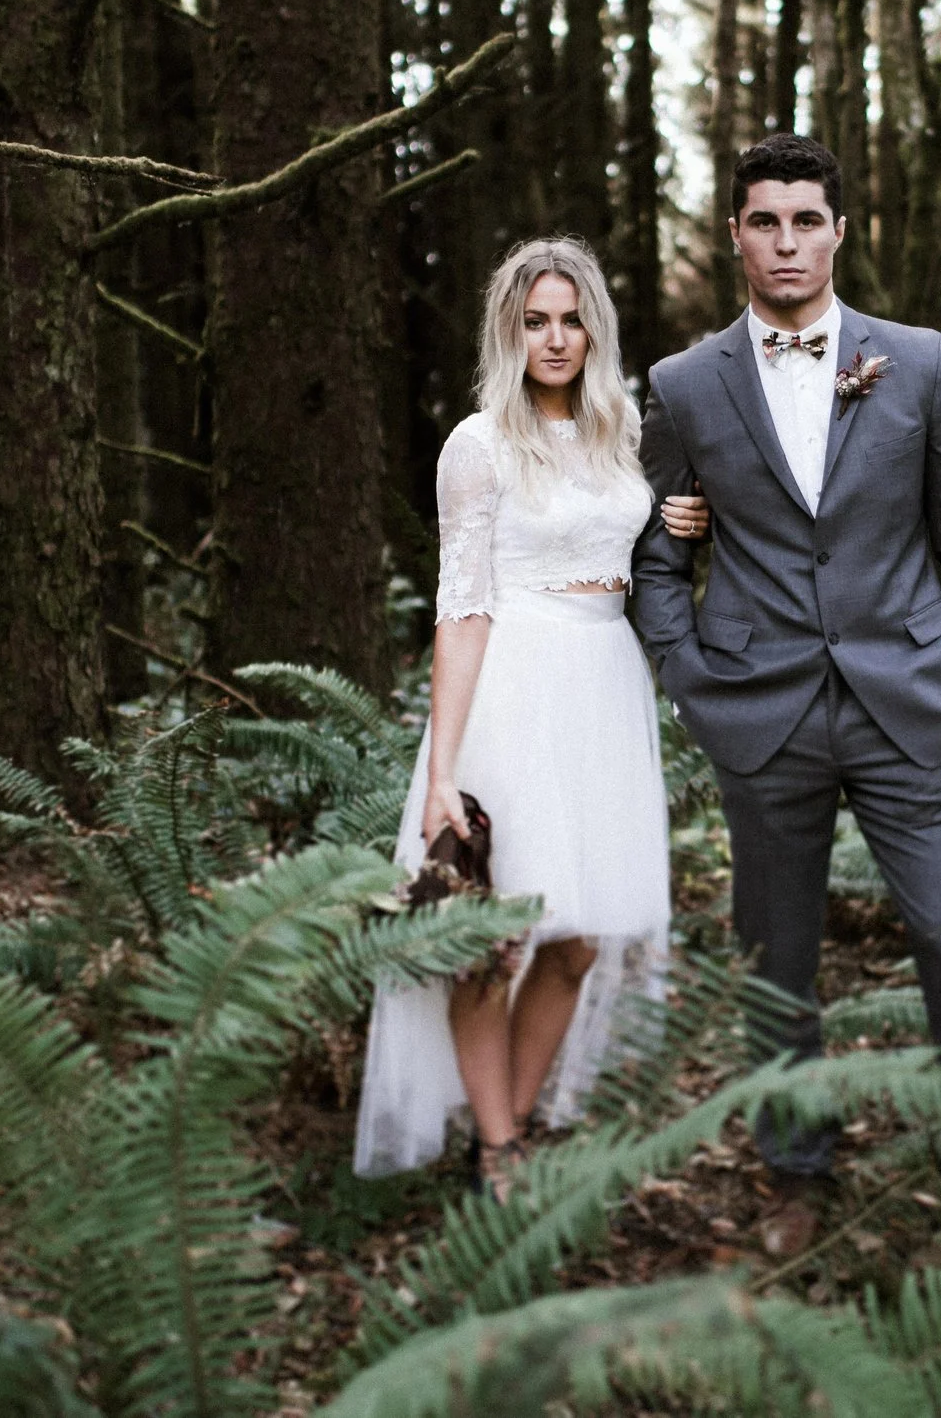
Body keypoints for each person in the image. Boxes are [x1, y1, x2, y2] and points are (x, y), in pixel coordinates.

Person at [630, 133, 941, 1253]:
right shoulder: (682, 384)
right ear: (736, 235)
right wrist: (689, 673)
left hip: (908, 701)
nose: (786, 241)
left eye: (806, 218)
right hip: (760, 711)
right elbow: (655, 557)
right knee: (778, 960)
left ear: (839, 230)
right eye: (765, 220)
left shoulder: (917, 361)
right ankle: (794, 1165)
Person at [353, 237, 712, 1198]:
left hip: (602, 687)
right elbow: (462, 607)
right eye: (535, 322)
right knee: (495, 932)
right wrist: (442, 769)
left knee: (580, 937)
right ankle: (503, 1151)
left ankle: (500, 1128)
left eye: (571, 318)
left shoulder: (621, 433)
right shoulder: (477, 447)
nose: (556, 339)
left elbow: (646, 541)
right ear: (509, 334)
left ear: (595, 325)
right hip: (514, 686)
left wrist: (685, 521)